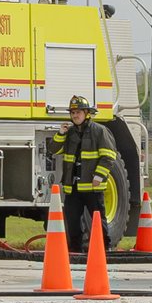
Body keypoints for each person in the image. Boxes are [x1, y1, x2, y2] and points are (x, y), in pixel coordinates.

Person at [52, 95, 118, 252]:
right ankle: (75, 252)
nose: (75, 115)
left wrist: (98, 176)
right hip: (73, 187)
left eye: (78, 112)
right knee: (73, 222)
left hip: (92, 187)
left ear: (87, 113)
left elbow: (109, 156)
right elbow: (53, 149)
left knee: (97, 220)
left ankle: (104, 250)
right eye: (73, 112)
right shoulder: (69, 133)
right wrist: (60, 134)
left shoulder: (99, 131)